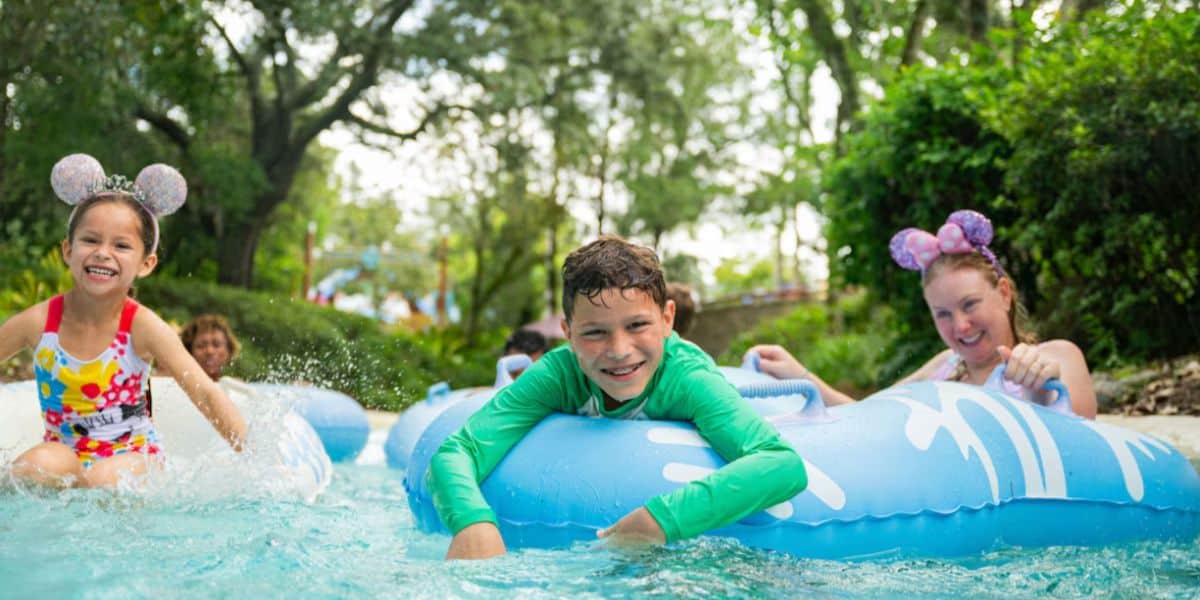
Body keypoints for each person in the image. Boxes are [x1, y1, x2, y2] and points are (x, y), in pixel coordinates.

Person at [429, 236, 808, 560]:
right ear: (568, 332)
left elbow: (782, 463)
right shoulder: (560, 373)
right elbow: (457, 451)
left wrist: (659, 520)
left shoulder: (688, 378)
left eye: (638, 325)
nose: (619, 350)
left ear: (667, 318)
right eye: (595, 332)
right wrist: (472, 521)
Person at [0, 154, 247, 489]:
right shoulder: (41, 321)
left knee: (106, 479)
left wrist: (255, 458)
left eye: (121, 245)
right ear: (68, 250)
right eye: (90, 240)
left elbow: (204, 391)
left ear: (146, 263)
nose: (103, 252)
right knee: (36, 465)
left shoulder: (141, 326)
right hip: (66, 453)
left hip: (134, 456)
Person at [749, 210, 1097, 418]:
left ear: (1003, 293)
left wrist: (1040, 389)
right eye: (942, 314)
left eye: (970, 304)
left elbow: (1083, 449)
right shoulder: (943, 367)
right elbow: (867, 415)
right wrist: (801, 376)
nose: (960, 325)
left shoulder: (1056, 356)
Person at [180, 314, 241, 381]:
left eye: (216, 344)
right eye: (201, 346)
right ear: (189, 352)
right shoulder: (175, 386)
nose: (209, 351)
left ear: (229, 350)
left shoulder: (236, 387)